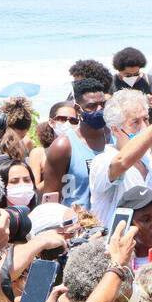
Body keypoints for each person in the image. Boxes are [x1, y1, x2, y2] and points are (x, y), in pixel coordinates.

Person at [88, 88, 152, 228]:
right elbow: (122, 162)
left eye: (146, 119)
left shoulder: (149, 161)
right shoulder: (104, 160)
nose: (144, 127)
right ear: (115, 129)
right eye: (135, 122)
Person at [42, 76, 110, 209]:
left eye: (103, 105)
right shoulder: (64, 146)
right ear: (78, 110)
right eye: (92, 106)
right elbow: (50, 199)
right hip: (78, 226)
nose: (99, 110)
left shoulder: (115, 138)